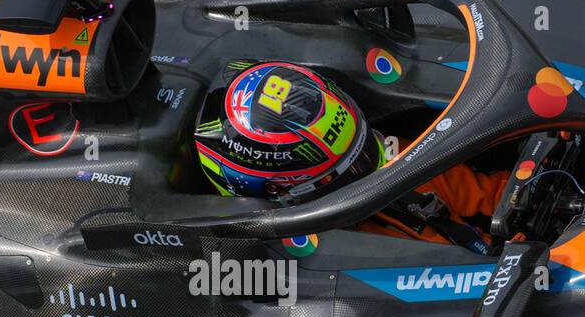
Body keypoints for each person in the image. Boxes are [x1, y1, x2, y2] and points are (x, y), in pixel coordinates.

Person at [193, 60, 508, 251]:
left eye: (364, 145)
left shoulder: (392, 154)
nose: (379, 162)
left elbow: (491, 194)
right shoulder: (364, 252)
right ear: (279, 189)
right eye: (351, 167)